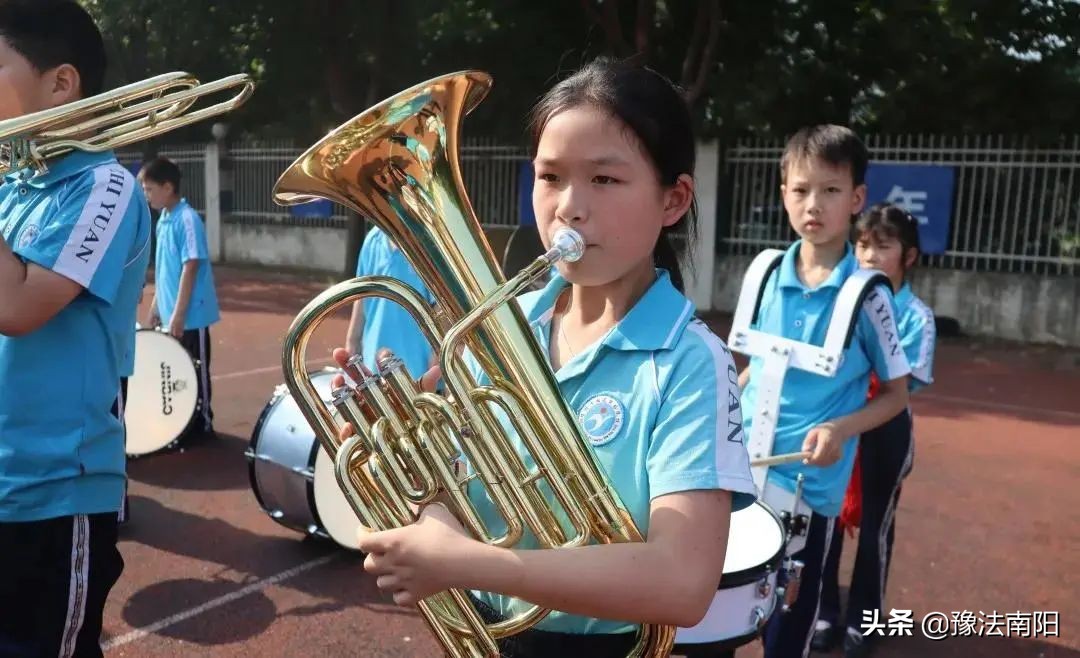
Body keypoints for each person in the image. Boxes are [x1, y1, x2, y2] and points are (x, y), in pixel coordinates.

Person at [331, 57, 758, 657]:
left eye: (604, 179)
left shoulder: (691, 363)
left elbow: (682, 583)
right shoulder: (495, 332)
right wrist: (403, 460)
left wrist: (467, 563)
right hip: (488, 633)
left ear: (674, 199)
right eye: (550, 176)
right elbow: (465, 498)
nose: (569, 207)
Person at [0, 1, 152, 655]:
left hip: (55, 492)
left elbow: (18, 307)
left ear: (61, 83)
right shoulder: (13, 185)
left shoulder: (104, 185)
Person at [736, 125, 912, 658]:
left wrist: (840, 428)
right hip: (739, 475)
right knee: (717, 613)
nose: (813, 204)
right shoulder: (764, 273)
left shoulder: (869, 296)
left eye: (831, 190)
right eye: (801, 189)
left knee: (788, 627)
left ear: (856, 198)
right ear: (783, 193)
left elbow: (896, 395)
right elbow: (751, 370)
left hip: (807, 493)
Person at [814, 203, 937, 657]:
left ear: (909, 256)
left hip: (885, 428)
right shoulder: (841, 300)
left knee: (874, 529)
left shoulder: (916, 316)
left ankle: (864, 619)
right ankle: (824, 611)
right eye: (862, 245)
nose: (868, 256)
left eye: (883, 247)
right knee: (825, 517)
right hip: (839, 421)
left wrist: (865, 371)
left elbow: (908, 379)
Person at [139, 156, 218, 440]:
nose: (146, 196)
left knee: (196, 367)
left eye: (149, 189)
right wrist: (156, 306)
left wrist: (180, 314)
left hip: (191, 315)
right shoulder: (164, 219)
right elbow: (164, 269)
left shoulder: (187, 218)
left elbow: (191, 264)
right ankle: (183, 423)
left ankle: (203, 422)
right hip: (172, 312)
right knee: (176, 369)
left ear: (168, 187)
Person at [344, 225, 436, 378]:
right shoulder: (372, 239)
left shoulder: (426, 241)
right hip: (374, 365)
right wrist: (351, 344)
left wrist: (436, 365)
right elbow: (361, 297)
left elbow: (440, 309)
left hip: (418, 371)